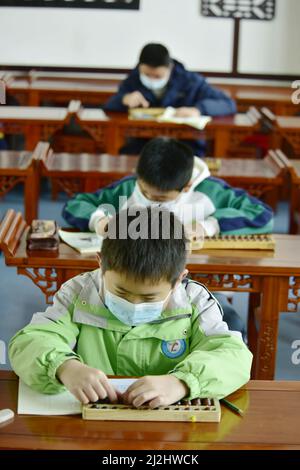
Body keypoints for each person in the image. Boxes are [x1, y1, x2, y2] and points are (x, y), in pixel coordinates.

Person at [9, 208, 252, 405]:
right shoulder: (79, 293)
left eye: (149, 298)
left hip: (169, 432)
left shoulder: (194, 300)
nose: (133, 304)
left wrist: (183, 382)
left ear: (178, 280)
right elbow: (29, 342)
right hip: (92, 427)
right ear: (101, 264)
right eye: (121, 292)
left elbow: (234, 357)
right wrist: (64, 366)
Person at [62, 137, 273, 336]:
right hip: (133, 281)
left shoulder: (211, 191)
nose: (150, 201)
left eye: (160, 198)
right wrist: (99, 220)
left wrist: (208, 225)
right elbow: (75, 204)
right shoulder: (128, 188)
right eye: (145, 194)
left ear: (187, 185)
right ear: (139, 176)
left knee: (228, 322)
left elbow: (262, 215)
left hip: (194, 282)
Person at [104, 43, 236, 155]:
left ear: (170, 68)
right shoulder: (132, 81)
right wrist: (123, 99)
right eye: (147, 75)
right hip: (143, 146)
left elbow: (228, 104)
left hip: (185, 146)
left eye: (157, 76)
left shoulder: (191, 82)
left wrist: (198, 110)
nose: (151, 79)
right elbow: (109, 105)